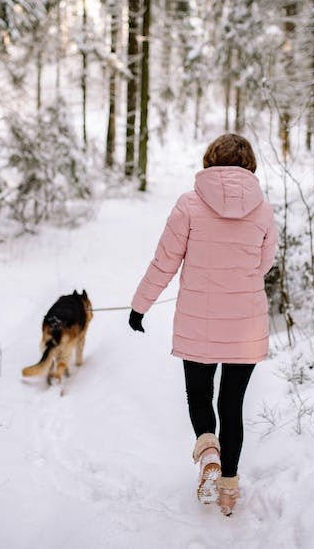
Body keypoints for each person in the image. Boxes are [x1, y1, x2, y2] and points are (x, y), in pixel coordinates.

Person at [128, 133, 277, 516]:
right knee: (232, 405)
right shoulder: (263, 210)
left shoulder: (189, 205)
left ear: (210, 160)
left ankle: (208, 453)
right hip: (245, 325)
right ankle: (228, 491)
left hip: (198, 322)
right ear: (250, 167)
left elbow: (165, 262)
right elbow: (265, 263)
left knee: (199, 396)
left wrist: (139, 306)